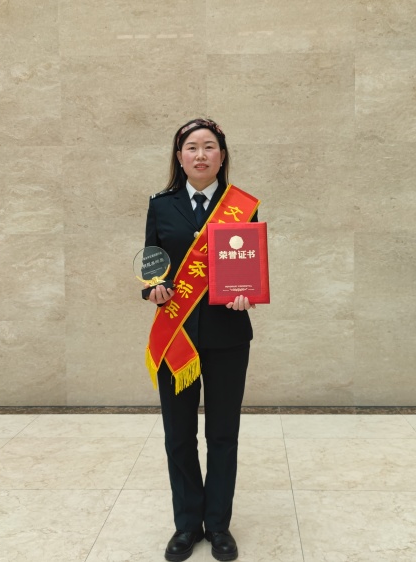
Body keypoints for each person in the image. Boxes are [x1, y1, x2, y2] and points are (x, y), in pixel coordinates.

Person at [141, 118, 259, 562]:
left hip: (229, 336)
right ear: (179, 157)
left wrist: (247, 293)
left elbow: (248, 266)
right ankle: (187, 525)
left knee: (223, 434)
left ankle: (219, 525)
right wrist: (153, 289)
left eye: (209, 147)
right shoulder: (160, 205)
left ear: (222, 156)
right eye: (192, 147)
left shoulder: (240, 206)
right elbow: (152, 265)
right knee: (179, 435)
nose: (201, 155)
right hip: (177, 337)